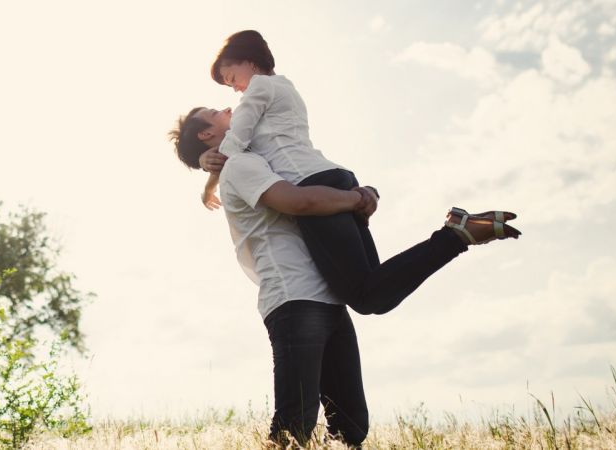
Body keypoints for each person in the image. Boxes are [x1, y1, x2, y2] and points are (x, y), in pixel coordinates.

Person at [168, 108, 516, 447]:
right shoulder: (242, 166)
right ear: (206, 134)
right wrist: (357, 197)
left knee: (349, 426)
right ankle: (455, 237)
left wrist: (369, 193)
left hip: (329, 299)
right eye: (215, 112)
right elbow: (299, 202)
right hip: (295, 299)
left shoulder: (256, 156)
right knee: (293, 427)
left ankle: (456, 236)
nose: (229, 107)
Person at [182, 30, 521, 315]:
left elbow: (238, 140)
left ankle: (455, 235)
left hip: (314, 189)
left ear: (249, 62)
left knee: (366, 296)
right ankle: (458, 233)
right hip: (336, 178)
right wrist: (204, 158)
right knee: (374, 287)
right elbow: (256, 146)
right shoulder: (286, 87)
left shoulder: (257, 89)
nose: (234, 90)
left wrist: (208, 175)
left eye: (231, 78)